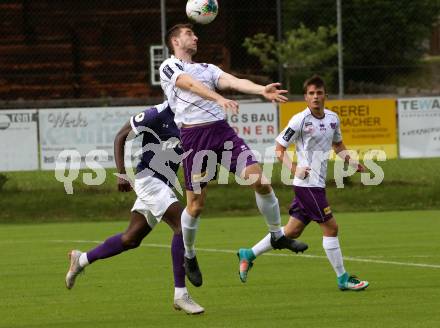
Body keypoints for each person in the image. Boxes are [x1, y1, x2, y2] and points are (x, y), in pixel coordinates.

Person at [159, 23, 308, 287]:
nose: (196, 37)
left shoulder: (207, 68)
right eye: (189, 34)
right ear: (175, 41)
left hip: (222, 132)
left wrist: (261, 89)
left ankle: (277, 235)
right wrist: (217, 98)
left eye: (194, 33)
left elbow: (233, 81)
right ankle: (189, 254)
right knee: (196, 205)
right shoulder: (169, 66)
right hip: (195, 138)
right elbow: (188, 84)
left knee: (260, 181)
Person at [65, 101, 205, 314]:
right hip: (148, 180)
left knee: (130, 239)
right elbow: (121, 136)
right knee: (182, 224)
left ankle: (81, 259)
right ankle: (180, 295)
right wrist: (122, 173)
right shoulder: (156, 114)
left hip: (164, 184)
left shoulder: (192, 118)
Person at [237, 75, 369, 291]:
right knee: (331, 227)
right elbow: (279, 149)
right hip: (307, 184)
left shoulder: (333, 118)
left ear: (326, 95)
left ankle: (249, 254)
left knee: (292, 231)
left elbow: (338, 145)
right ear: (306, 97)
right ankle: (343, 278)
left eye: (319, 93)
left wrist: (353, 162)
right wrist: (294, 169)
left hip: (316, 184)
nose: (315, 97)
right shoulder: (300, 120)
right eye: (311, 93)